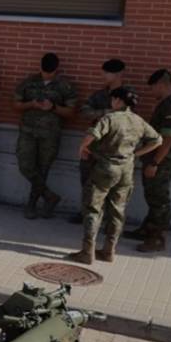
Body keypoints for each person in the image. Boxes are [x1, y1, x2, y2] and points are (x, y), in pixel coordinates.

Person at [67, 87, 162, 265]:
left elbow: (93, 134)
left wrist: (83, 147)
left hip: (105, 167)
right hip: (126, 169)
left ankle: (87, 252)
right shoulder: (138, 120)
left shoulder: (110, 117)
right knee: (118, 211)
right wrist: (137, 153)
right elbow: (158, 140)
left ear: (118, 101)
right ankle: (109, 251)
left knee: (93, 208)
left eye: (113, 99)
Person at [127, 69, 171, 253]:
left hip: (162, 161)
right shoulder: (167, 103)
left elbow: (168, 138)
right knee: (152, 195)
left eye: (153, 88)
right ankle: (148, 229)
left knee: (159, 198)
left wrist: (155, 163)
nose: (152, 92)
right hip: (156, 158)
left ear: (161, 84)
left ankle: (158, 238)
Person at [13, 53, 76, 219]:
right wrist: (31, 104)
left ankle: (32, 205)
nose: (47, 74)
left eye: (50, 71)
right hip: (28, 131)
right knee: (25, 165)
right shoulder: (29, 82)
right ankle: (49, 196)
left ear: (56, 69)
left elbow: (71, 112)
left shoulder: (65, 86)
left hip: (50, 134)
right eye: (44, 70)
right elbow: (16, 104)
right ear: (40, 67)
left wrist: (53, 107)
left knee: (43, 170)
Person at [69, 58, 128, 223]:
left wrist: (103, 114)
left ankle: (108, 218)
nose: (103, 76)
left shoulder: (127, 94)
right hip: (94, 144)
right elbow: (85, 111)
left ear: (118, 74)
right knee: (87, 178)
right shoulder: (100, 94)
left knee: (110, 184)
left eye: (106, 73)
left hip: (114, 146)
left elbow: (126, 116)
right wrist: (107, 111)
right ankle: (86, 213)